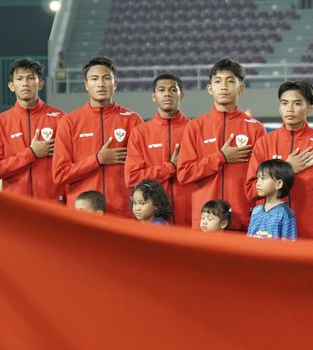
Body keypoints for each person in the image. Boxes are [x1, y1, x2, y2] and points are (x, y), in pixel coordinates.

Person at [177, 58, 265, 231]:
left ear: (241, 88)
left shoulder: (256, 128)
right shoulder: (195, 127)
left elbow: (261, 180)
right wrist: (221, 157)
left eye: (230, 81)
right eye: (218, 81)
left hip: (243, 221)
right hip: (205, 222)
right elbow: (184, 174)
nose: (223, 86)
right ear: (210, 88)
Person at [245, 80, 313, 239]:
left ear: (309, 108)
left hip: (309, 235)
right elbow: (251, 190)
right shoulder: (264, 143)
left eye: (296, 103)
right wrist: (286, 169)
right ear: (279, 108)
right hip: (268, 235)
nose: (289, 109)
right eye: (284, 103)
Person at [53, 56, 143, 217]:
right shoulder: (69, 122)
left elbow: (142, 171)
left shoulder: (132, 119)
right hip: (83, 213)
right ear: (86, 85)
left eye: (106, 78)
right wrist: (97, 160)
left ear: (115, 84)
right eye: (94, 79)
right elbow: (60, 174)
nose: (100, 84)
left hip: (123, 211)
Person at [125, 73, 192, 226]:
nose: (167, 94)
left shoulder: (194, 129)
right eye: (161, 90)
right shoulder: (140, 132)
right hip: (154, 218)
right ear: (154, 96)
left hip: (189, 214)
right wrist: (169, 168)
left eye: (173, 90)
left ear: (182, 95)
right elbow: (132, 178)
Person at [0, 58, 65, 202]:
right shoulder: (2, 122)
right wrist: (31, 153)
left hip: (53, 204)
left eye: (30, 78)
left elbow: (69, 166)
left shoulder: (60, 118)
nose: (25, 83)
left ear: (41, 84)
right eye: (19, 79)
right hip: (17, 206)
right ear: (11, 86)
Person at [247, 159, 297, 240]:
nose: (258, 183)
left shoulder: (285, 214)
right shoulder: (256, 210)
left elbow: (289, 246)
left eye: (263, 178)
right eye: (258, 178)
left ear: (279, 184)